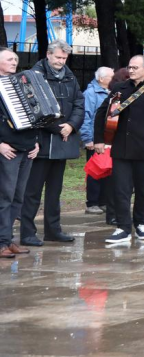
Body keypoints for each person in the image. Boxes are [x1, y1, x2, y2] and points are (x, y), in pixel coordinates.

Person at [94, 54, 144, 246]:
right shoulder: (119, 88)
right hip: (120, 148)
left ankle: (141, 224)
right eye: (129, 67)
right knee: (121, 189)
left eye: (135, 67)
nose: (131, 70)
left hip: (143, 149)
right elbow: (102, 112)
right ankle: (123, 227)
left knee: (143, 189)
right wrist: (99, 139)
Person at [21, 40, 84, 246]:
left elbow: (79, 104)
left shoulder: (70, 75)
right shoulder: (34, 75)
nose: (61, 61)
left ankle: (53, 230)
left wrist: (72, 126)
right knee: (32, 191)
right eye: (58, 57)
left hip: (63, 142)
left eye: (64, 58)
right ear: (48, 54)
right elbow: (34, 108)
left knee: (55, 191)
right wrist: (58, 127)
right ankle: (27, 232)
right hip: (40, 141)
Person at [0, 49, 38, 258]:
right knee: (4, 197)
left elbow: (35, 112)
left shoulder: (21, 83)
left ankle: (7, 240)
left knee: (17, 197)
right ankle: (1, 242)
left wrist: (36, 142)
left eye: (16, 59)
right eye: (9, 59)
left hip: (26, 146)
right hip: (7, 149)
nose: (14, 62)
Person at [81, 66, 114, 218]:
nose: (114, 79)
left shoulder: (112, 93)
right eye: (111, 77)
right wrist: (87, 138)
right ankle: (92, 203)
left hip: (108, 139)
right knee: (95, 171)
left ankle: (104, 201)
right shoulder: (90, 93)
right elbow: (86, 116)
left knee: (107, 170)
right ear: (101, 79)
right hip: (95, 139)